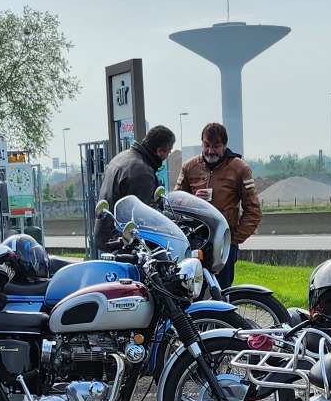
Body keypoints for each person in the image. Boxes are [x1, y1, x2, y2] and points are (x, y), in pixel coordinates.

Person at [180, 121, 262, 287]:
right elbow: (175, 204)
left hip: (224, 244)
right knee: (190, 292)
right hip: (194, 243)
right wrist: (192, 199)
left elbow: (253, 211)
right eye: (207, 145)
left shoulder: (239, 168)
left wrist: (232, 240)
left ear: (225, 145)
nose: (210, 151)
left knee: (222, 293)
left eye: (216, 146)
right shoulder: (189, 167)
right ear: (201, 143)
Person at [92, 125, 174, 254]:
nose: (168, 155)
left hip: (106, 237)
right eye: (168, 151)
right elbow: (145, 216)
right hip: (122, 244)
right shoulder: (142, 173)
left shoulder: (122, 157)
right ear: (159, 151)